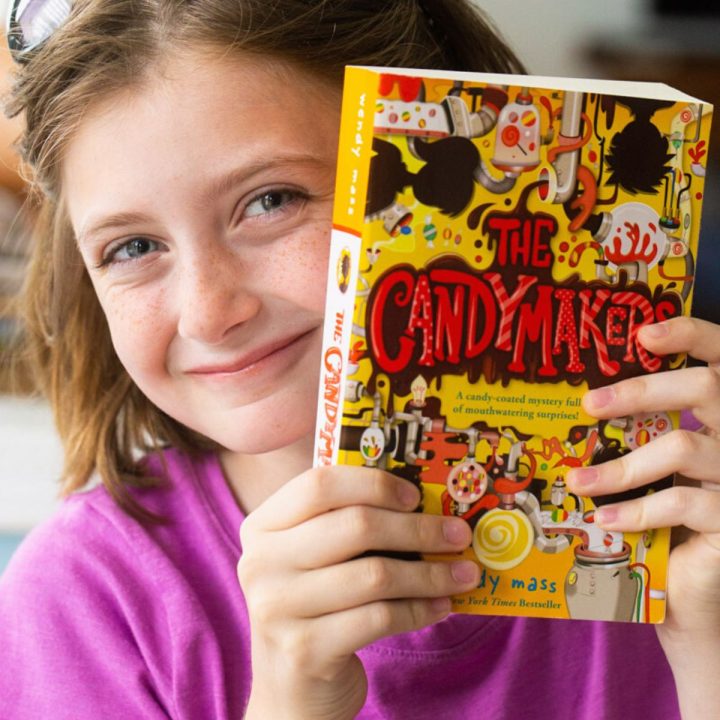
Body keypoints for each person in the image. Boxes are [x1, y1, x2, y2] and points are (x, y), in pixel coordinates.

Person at [0, 1, 718, 718]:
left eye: (271, 201)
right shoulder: (84, 597)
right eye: (131, 248)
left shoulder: (682, 497)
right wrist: (292, 701)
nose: (209, 313)